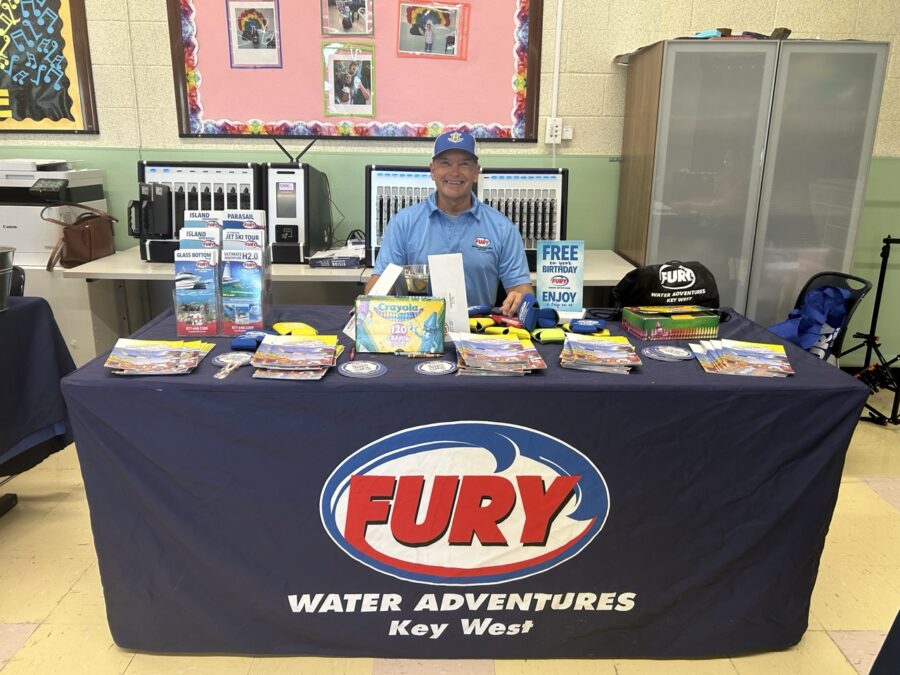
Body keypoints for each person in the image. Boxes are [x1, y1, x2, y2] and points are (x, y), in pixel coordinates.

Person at [365, 130, 533, 316]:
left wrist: (520, 299)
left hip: (478, 334)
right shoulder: (403, 223)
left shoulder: (502, 228)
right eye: (445, 163)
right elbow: (379, 282)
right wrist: (370, 304)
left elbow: (521, 289)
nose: (454, 172)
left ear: (476, 172)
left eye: (464, 164)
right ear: (433, 170)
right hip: (416, 333)